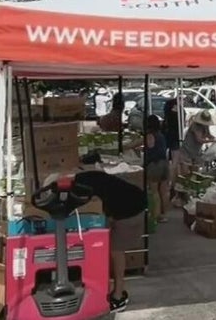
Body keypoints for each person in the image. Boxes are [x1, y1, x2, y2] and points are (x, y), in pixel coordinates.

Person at [72, 168, 148, 312]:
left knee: (116, 251)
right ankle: (110, 288)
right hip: (124, 205)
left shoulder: (82, 188)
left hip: (131, 209)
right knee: (107, 248)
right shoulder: (83, 178)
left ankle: (119, 296)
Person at [141, 115, 170, 223]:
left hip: (154, 164)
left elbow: (150, 145)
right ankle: (164, 214)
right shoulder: (161, 135)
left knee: (154, 192)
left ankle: (156, 216)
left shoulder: (150, 135)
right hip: (164, 163)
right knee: (164, 191)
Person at [179, 109, 216, 175]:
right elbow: (199, 139)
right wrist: (212, 140)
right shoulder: (194, 126)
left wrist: (215, 138)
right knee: (185, 172)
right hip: (187, 150)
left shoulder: (205, 126)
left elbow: (208, 134)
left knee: (195, 172)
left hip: (197, 151)